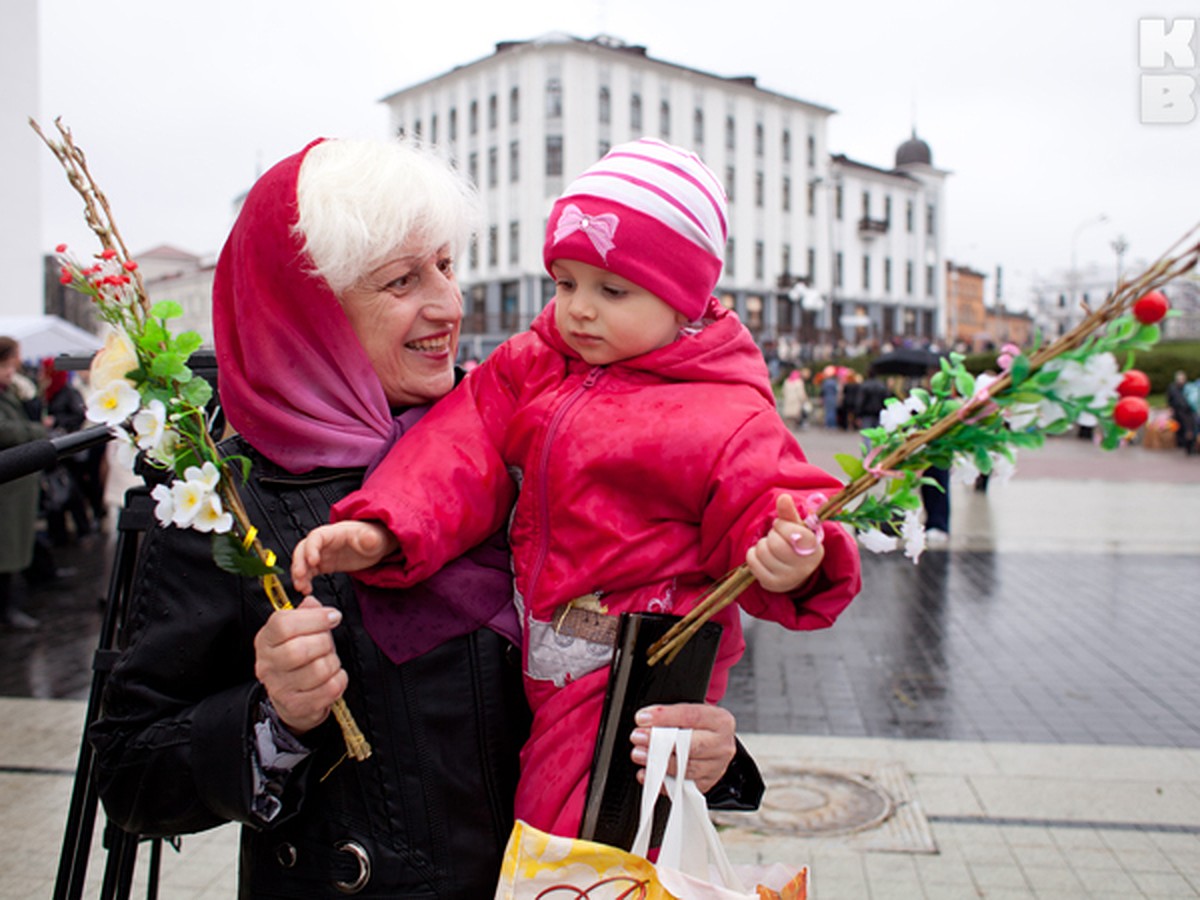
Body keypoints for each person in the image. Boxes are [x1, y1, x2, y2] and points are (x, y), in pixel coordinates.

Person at [88, 139, 745, 899]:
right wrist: (273, 719)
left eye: (446, 266)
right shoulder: (229, 499)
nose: (448, 306)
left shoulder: (532, 436)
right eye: (401, 281)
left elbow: (637, 627)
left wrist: (706, 755)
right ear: (309, 313)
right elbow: (131, 777)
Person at [291, 138, 863, 838]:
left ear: (682, 297)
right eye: (564, 284)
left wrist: (798, 554)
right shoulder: (532, 365)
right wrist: (385, 525)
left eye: (611, 290)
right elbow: (458, 448)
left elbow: (774, 496)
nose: (580, 310)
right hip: (555, 640)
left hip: (629, 658)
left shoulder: (724, 409)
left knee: (570, 830)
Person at [0, 337, 47, 630]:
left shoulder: (10, 391)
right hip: (7, 487)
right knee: (6, 550)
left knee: (12, 549)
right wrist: (36, 430)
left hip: (14, 487)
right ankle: (7, 610)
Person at [1166, 370, 1196, 456]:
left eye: (1182, 379)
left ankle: (1188, 446)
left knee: (1188, 428)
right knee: (1179, 427)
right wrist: (1170, 408)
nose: (1181, 381)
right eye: (1179, 379)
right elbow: (1170, 398)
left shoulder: (1188, 387)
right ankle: (1182, 443)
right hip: (1178, 409)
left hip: (1188, 410)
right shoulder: (1172, 387)